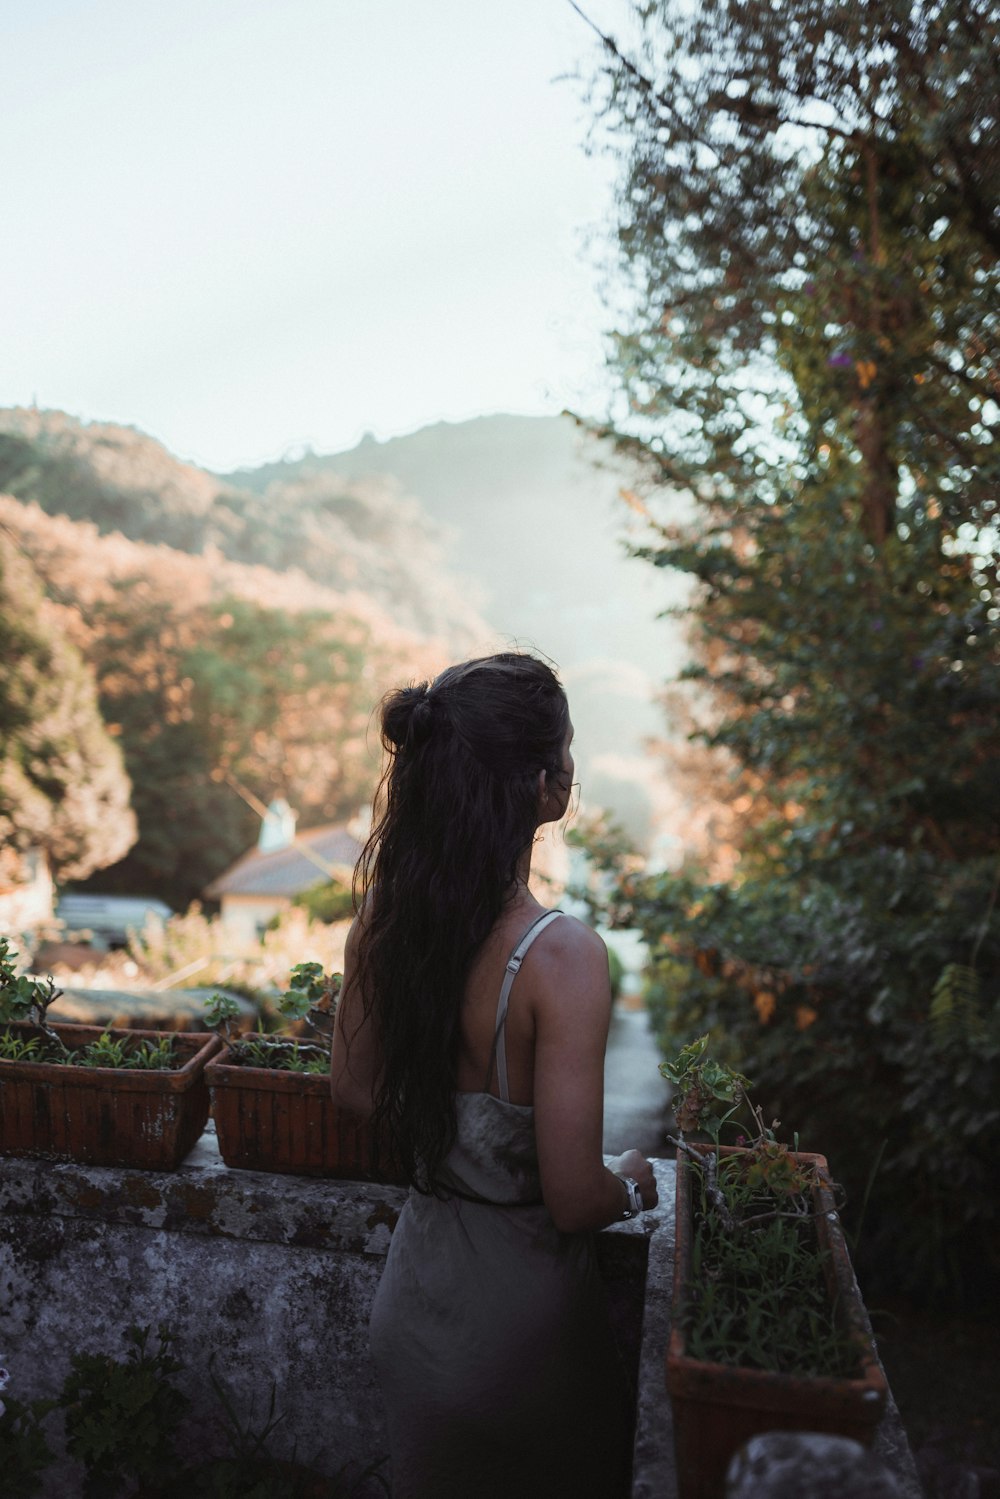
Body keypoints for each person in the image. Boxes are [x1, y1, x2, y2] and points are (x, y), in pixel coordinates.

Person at [329, 651, 658, 1499]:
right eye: (569, 750)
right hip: (525, 1339)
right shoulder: (563, 957)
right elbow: (575, 1196)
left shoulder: (384, 919)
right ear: (542, 787)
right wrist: (632, 1180)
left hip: (415, 1309)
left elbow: (355, 1092)